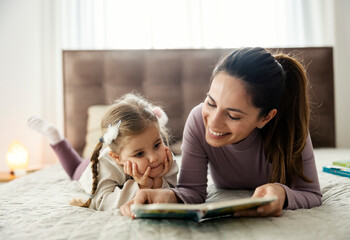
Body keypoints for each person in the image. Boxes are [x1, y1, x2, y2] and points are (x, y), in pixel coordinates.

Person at [121, 47, 322, 218]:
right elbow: (192, 191)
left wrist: (282, 193)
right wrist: (164, 197)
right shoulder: (198, 120)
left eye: (233, 116)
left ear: (265, 118)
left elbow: (311, 194)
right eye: (211, 103)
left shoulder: (291, 129)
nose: (213, 122)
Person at [28, 93, 178, 211]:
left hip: (118, 150)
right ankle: (56, 138)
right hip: (93, 164)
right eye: (139, 154)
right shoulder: (106, 164)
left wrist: (158, 181)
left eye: (157, 144)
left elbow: (175, 191)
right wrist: (141, 187)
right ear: (117, 157)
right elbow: (101, 201)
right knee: (74, 170)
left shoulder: (164, 157)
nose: (153, 158)